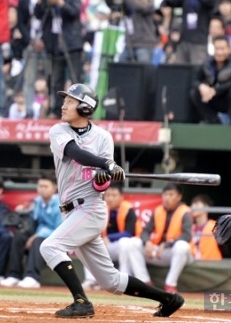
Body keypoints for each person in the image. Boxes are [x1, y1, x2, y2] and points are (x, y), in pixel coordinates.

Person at [40, 83, 184, 318]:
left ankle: (81, 302)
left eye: (70, 101)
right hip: (70, 211)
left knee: (50, 246)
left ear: (85, 108)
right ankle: (168, 299)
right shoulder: (59, 130)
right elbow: (76, 153)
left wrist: (105, 176)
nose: (63, 105)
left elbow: (100, 186)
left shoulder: (103, 137)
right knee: (111, 281)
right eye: (65, 100)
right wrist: (106, 164)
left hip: (90, 208)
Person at [122, 183, 193, 293]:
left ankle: (170, 285)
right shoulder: (158, 210)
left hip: (177, 253)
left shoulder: (185, 212)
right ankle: (144, 283)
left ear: (179, 197)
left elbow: (187, 236)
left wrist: (167, 244)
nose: (167, 198)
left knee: (182, 246)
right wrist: (147, 242)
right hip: (159, 252)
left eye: (171, 195)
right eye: (165, 195)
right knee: (132, 243)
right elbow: (145, 231)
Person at [34, 0, 84, 118]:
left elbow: (74, 12)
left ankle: (80, 110)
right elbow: (38, 14)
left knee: (75, 79)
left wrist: (60, 2)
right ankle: (56, 110)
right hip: (54, 43)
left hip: (71, 42)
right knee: (55, 80)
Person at [0, 174, 62, 288]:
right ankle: (14, 274)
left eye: (45, 186)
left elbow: (60, 230)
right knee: (18, 236)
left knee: (38, 240)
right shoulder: (37, 202)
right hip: (37, 234)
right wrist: (22, 211)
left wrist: (36, 235)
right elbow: (33, 220)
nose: (42, 189)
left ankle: (32, 277)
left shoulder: (60, 203)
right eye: (40, 186)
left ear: (54, 188)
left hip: (56, 240)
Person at [81, 182, 144, 290]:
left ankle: (124, 279)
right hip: (107, 245)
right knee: (87, 243)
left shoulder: (129, 209)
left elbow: (129, 233)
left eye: (114, 195)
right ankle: (90, 281)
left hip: (126, 245)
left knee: (125, 242)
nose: (110, 198)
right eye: (108, 195)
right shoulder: (100, 208)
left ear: (121, 196)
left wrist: (109, 238)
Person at [190, 35, 231, 124]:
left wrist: (216, 90)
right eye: (217, 49)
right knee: (194, 93)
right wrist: (201, 86)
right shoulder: (206, 62)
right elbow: (195, 80)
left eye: (222, 49)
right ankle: (212, 120)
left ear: (229, 49)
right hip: (211, 98)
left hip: (227, 99)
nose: (219, 52)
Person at [108, 0, 158, 64]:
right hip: (129, 43)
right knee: (121, 70)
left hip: (144, 44)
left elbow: (139, 7)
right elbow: (114, 11)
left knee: (143, 74)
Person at [190, 194, 222, 260]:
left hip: (211, 264)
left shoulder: (215, 226)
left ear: (206, 207)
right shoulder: (190, 227)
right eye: (192, 204)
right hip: (193, 264)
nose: (193, 207)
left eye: (197, 204)